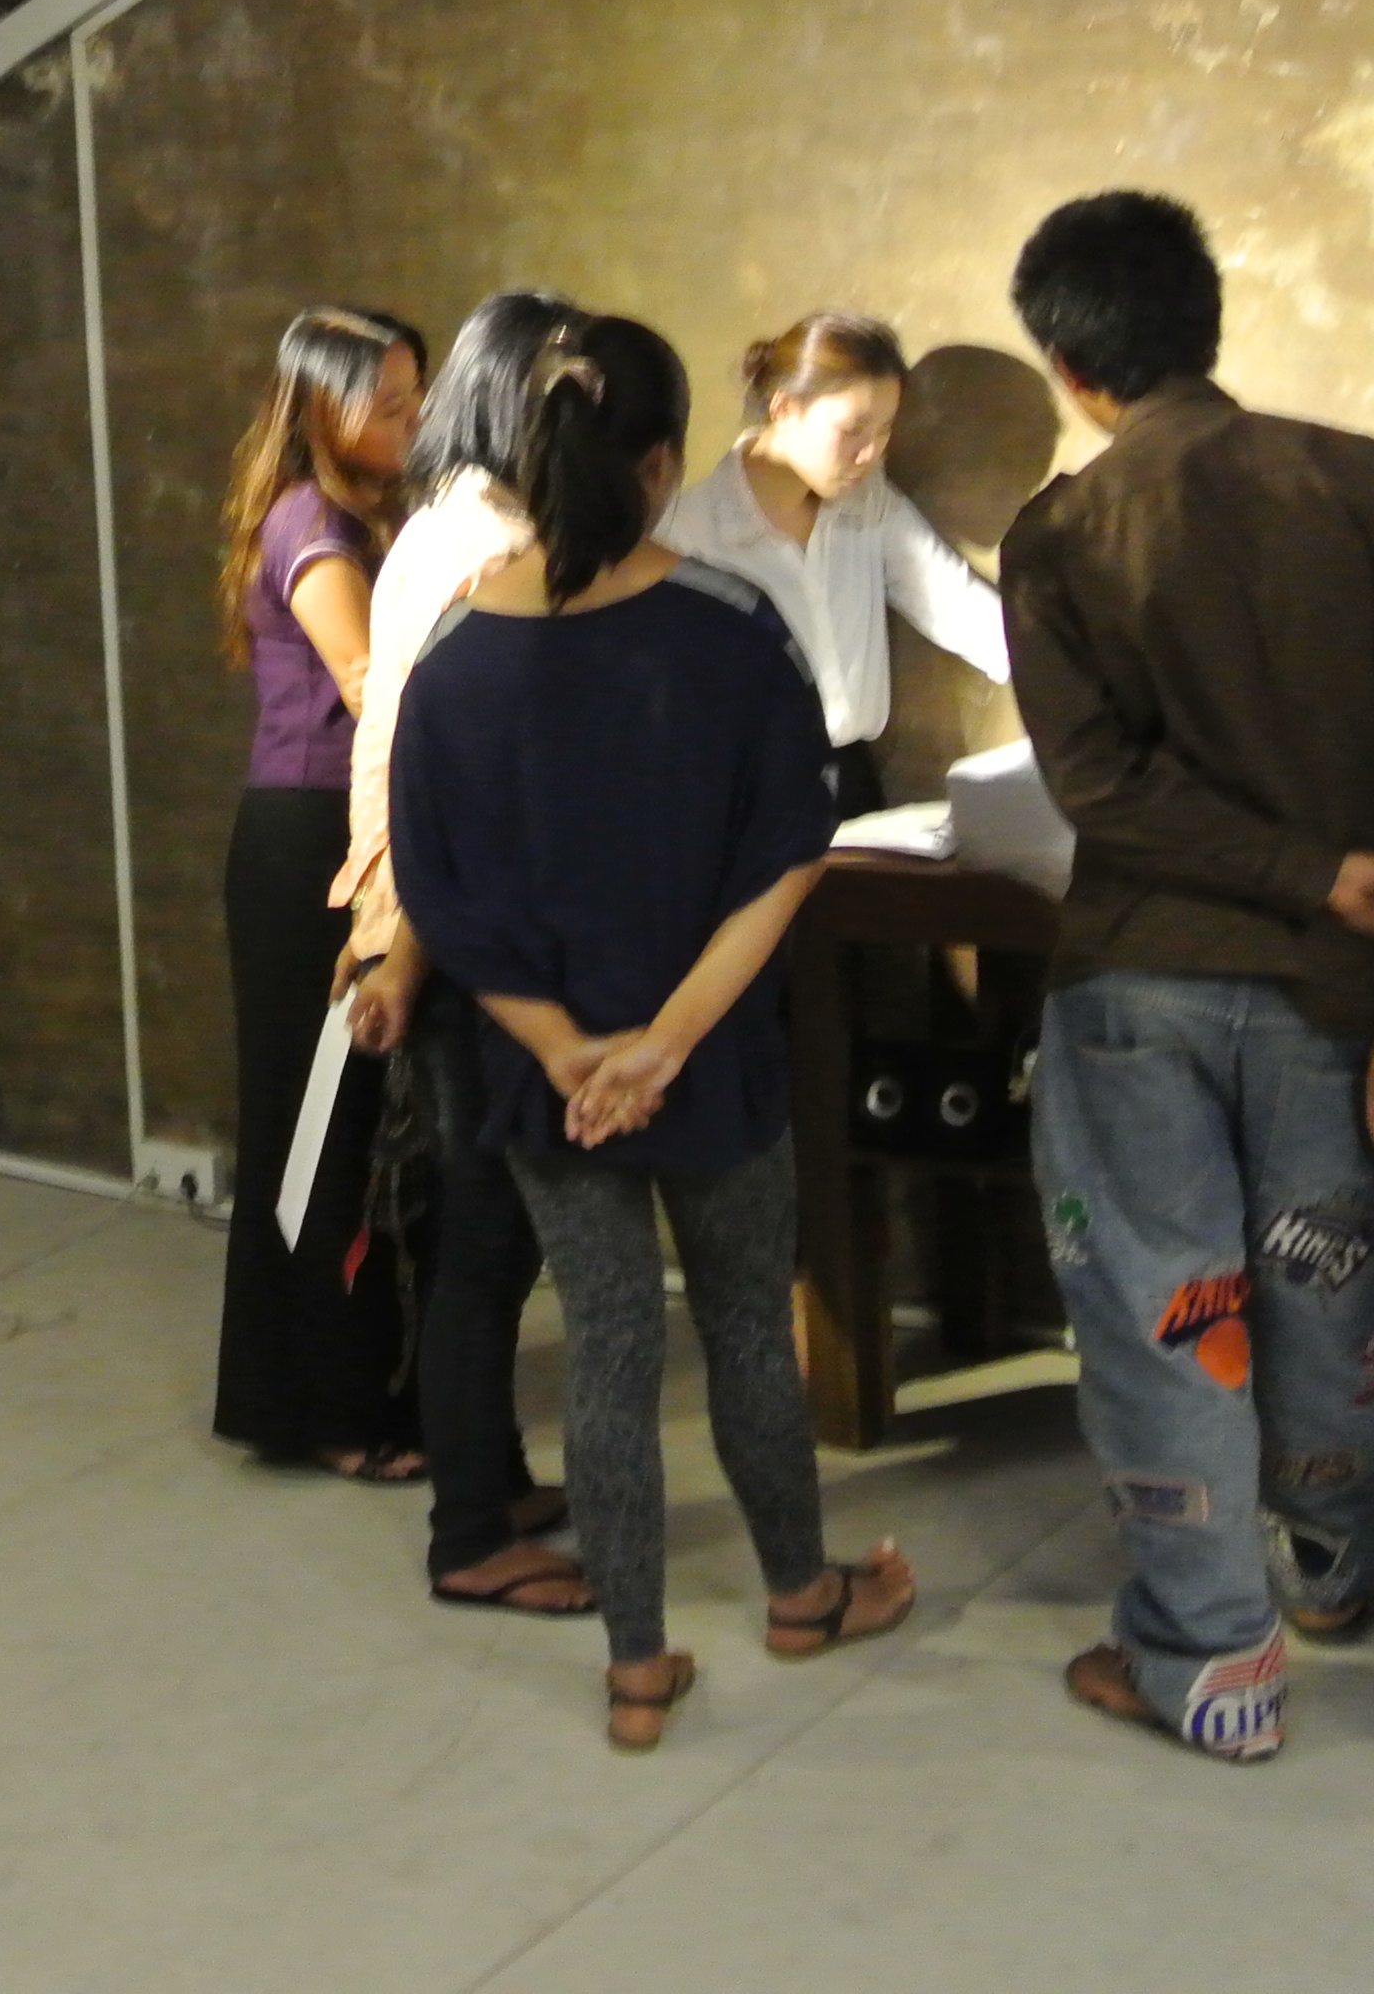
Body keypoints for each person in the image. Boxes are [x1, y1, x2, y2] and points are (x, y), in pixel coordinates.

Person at [996, 191, 1374, 1763]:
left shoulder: (1063, 531)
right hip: (1340, 994)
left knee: (1170, 1313)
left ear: (1072, 367)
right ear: (1206, 322)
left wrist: (1294, 869)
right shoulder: (1364, 485)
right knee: (1325, 1281)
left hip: (1137, 981)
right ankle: (1336, 1568)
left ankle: (1210, 1660)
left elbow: (1095, 786)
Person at [391, 312, 916, 1752]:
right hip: (713, 1058)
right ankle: (801, 1596)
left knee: (607, 1349)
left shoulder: (453, 660)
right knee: (746, 1323)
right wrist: (668, 1042)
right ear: (662, 461)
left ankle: (634, 1668)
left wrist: (568, 1051)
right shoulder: (728, 631)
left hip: (544, 1078)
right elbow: (788, 855)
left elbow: (437, 888)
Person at [331, 290, 600, 1614]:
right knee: (485, 1238)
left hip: (442, 919)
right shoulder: (487, 547)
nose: (581, 417)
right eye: (563, 394)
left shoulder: (457, 523)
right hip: (459, 930)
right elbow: (460, 782)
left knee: (484, 1234)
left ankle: (490, 1479)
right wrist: (406, 961)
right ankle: (469, 1536)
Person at [210, 305, 428, 1480]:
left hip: (346, 832)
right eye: (383, 403)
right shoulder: (310, 521)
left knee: (354, 1125)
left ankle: (333, 1385)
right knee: (317, 1130)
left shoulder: (376, 509)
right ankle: (327, 1411)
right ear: (316, 409)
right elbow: (364, 679)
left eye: (412, 397)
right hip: (309, 848)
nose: (407, 419)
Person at [657, 310, 1009, 811]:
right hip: (744, 794)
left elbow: (958, 605)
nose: (870, 454)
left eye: (885, 430)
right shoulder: (689, 533)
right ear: (783, 408)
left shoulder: (869, 504)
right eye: (853, 429)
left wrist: (1073, 672)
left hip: (853, 778)